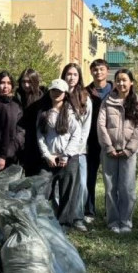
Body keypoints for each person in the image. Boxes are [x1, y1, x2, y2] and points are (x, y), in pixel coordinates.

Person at [97, 69, 138, 233]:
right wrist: (108, 147)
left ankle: (125, 222)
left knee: (127, 188)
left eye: (124, 80)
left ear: (131, 82)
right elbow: (101, 125)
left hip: (128, 153)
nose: (121, 83)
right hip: (109, 151)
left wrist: (129, 149)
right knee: (110, 188)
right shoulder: (107, 101)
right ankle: (113, 222)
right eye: (118, 80)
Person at [37, 79, 83, 231]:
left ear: (65, 94)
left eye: (60, 91)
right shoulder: (43, 112)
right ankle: (42, 221)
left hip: (68, 158)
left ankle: (64, 223)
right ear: (49, 92)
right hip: (49, 158)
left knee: (67, 191)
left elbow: (76, 135)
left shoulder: (71, 112)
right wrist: (46, 155)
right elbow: (40, 135)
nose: (56, 94)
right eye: (54, 90)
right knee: (42, 189)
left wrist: (66, 155)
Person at [61, 63, 93, 231]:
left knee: (81, 185)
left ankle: (78, 217)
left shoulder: (85, 98)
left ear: (79, 77)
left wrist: (77, 147)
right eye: (68, 74)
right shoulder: (58, 95)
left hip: (78, 150)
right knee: (62, 186)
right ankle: (62, 217)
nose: (71, 77)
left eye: (75, 74)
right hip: (60, 149)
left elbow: (86, 127)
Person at [84, 58, 113, 223]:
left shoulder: (116, 90)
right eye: (95, 69)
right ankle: (89, 211)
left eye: (101, 69)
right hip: (92, 140)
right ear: (91, 72)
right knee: (90, 177)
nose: (98, 72)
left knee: (111, 178)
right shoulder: (85, 92)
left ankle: (111, 211)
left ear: (107, 71)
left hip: (112, 140)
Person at [16, 68, 46, 176]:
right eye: (23, 81)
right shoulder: (17, 97)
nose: (26, 85)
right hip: (20, 142)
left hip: (37, 143)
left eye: (29, 82)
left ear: (35, 81)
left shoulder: (42, 98)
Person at [0, 71, 24, 166]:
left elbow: (20, 131)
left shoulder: (16, 104)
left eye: (9, 83)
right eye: (2, 83)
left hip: (12, 155)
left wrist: (10, 150)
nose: (5, 86)